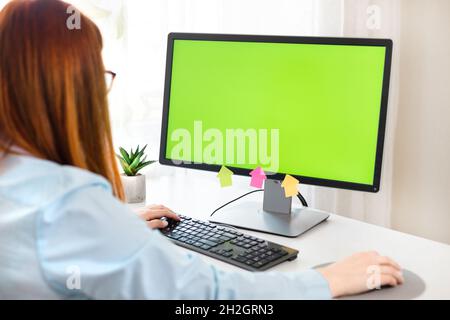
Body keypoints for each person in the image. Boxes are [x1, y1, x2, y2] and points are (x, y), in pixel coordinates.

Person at [0, 0, 403, 300]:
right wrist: (326, 280)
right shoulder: (70, 207)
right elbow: (210, 297)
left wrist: (116, 234)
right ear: (71, 90)